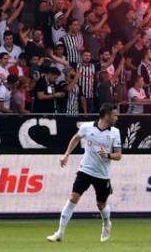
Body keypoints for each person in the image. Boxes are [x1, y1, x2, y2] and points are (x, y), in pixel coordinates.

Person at [48, 103, 122, 243]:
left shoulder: (115, 132)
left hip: (102, 175)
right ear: (106, 116)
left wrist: (107, 155)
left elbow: (118, 155)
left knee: (101, 205)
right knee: (73, 198)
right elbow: (76, 138)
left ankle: (106, 224)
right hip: (85, 170)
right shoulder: (86, 127)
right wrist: (66, 155)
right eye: (114, 115)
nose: (117, 118)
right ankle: (60, 233)